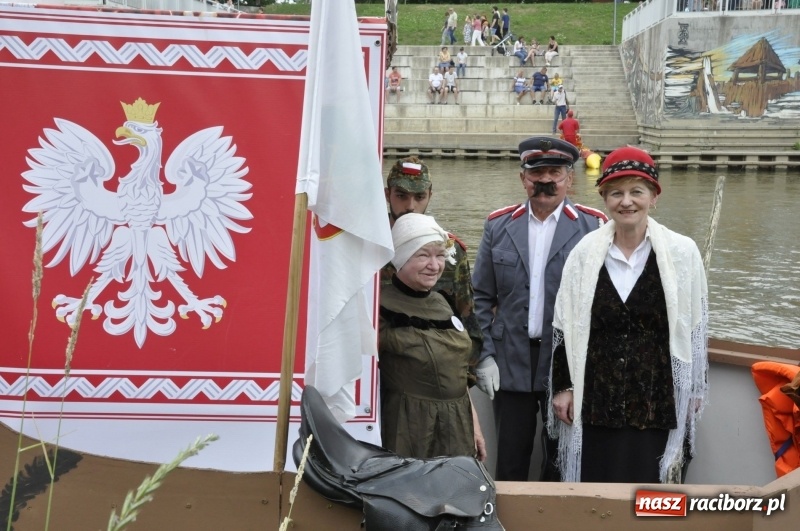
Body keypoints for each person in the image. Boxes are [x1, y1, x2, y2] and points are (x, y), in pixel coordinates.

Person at [549, 146, 709, 484]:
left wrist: (693, 388)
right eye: (616, 193)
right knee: (597, 493)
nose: (626, 201)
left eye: (637, 191)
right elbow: (565, 328)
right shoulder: (583, 254)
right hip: (595, 398)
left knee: (649, 493)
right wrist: (564, 387)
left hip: (656, 399)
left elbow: (695, 328)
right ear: (604, 198)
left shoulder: (683, 253)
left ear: (654, 197)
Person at [472, 137, 607, 482]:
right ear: (523, 179)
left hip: (564, 364)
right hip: (509, 362)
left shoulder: (594, 227)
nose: (545, 181)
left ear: (570, 179)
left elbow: (602, 305)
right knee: (511, 460)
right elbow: (480, 298)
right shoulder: (498, 225)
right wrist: (485, 355)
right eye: (537, 174)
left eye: (555, 173)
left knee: (560, 461)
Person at [380, 213, 487, 461]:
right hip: (408, 428)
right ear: (401, 257)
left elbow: (455, 372)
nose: (435, 265)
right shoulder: (379, 307)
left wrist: (475, 425)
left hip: (457, 425)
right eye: (423, 255)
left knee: (455, 494)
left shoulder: (443, 301)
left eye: (439, 255)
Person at [381, 157, 484, 388]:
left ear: (430, 196)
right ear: (388, 195)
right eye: (401, 196)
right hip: (379, 375)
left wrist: (462, 380)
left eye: (419, 197)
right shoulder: (370, 248)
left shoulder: (449, 250)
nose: (410, 206)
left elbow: (466, 322)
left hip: (433, 379)